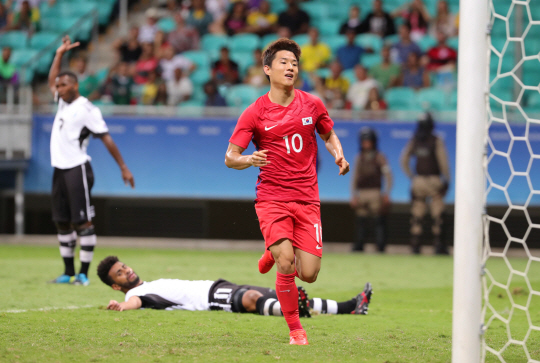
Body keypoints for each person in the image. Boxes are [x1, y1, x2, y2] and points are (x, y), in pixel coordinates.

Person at [224, 38, 350, 345]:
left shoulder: (313, 103)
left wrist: (338, 154)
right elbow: (230, 157)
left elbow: (328, 132)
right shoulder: (254, 113)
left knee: (308, 274)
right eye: (283, 62)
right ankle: (296, 330)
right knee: (286, 262)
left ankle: (271, 250)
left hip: (307, 198)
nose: (290, 67)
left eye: (294, 63)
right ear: (267, 69)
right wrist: (248, 159)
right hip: (272, 197)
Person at [47, 36, 134, 285]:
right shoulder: (63, 103)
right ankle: (67, 272)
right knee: (62, 222)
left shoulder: (87, 110)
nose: (58, 89)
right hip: (59, 170)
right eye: (58, 86)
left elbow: (105, 138)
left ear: (74, 86)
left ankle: (83, 274)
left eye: (62, 85)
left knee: (82, 222)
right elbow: (52, 77)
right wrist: (58, 54)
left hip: (78, 169)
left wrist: (123, 167)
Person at [97, 256, 373, 317]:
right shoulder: (134, 293)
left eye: (124, 266)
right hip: (210, 298)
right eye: (119, 274)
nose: (126, 271)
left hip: (216, 286)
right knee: (251, 298)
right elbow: (137, 302)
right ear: (115, 285)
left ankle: (350, 307)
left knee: (278, 293)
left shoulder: (147, 283)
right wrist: (123, 305)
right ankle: (293, 312)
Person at [400, 113, 450, 255]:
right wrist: (446, 179)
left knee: (417, 212)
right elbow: (443, 161)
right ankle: (438, 244)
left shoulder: (414, 140)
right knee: (438, 212)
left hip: (419, 181)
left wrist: (412, 177)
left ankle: (415, 243)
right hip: (434, 180)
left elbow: (403, 159)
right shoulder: (436, 140)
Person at [350, 127, 392, 252]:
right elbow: (355, 177)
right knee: (360, 220)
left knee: (379, 219)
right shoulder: (359, 158)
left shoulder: (380, 157)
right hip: (362, 193)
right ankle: (359, 244)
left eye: (368, 141)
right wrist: (354, 194)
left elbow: (388, 175)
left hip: (375, 192)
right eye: (364, 141)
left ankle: (380, 245)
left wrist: (387, 193)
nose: (366, 143)